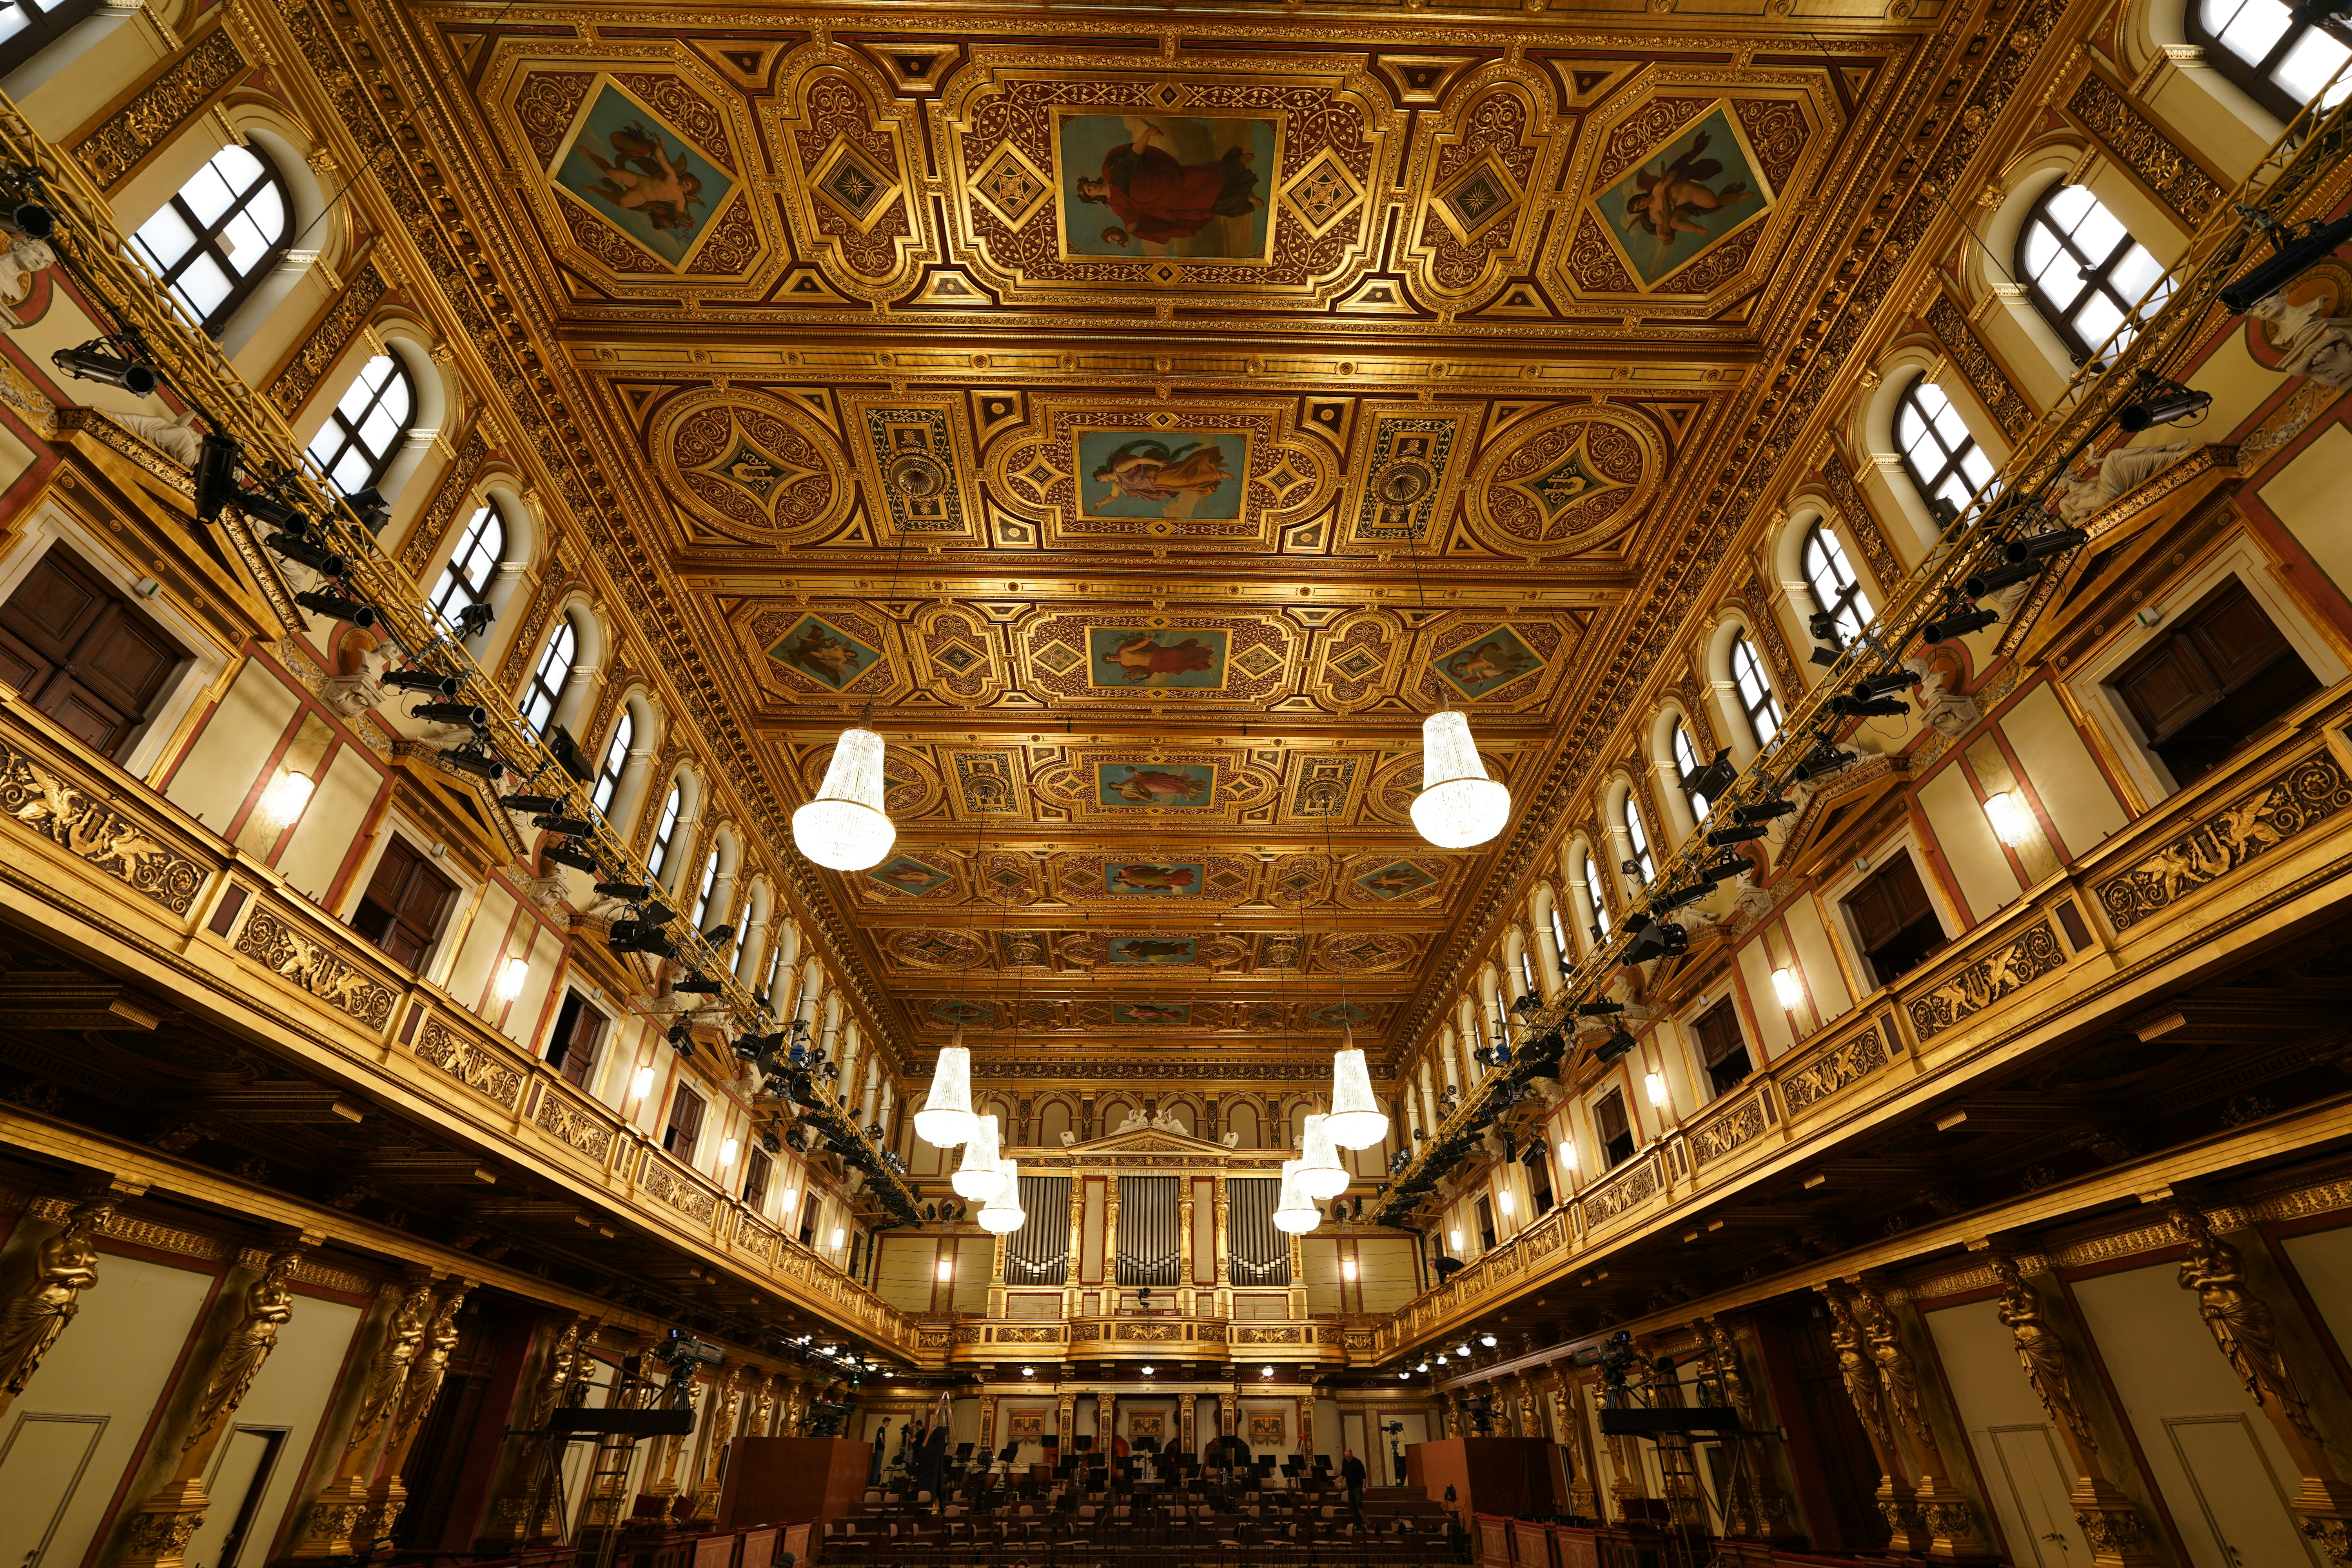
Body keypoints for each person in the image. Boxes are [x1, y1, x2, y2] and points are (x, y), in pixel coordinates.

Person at [1341, 1447, 1367, 1517]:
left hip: (1358, 1487)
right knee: (1352, 1507)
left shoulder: (1358, 1462)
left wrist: (1364, 1487)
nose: (1348, 1459)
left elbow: (1364, 1476)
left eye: (1349, 1457)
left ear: (1352, 1455)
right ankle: (1356, 1524)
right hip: (1350, 1487)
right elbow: (1343, 1473)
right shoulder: (1345, 1462)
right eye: (1346, 1457)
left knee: (1358, 1504)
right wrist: (1340, 1482)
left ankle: (1364, 1522)